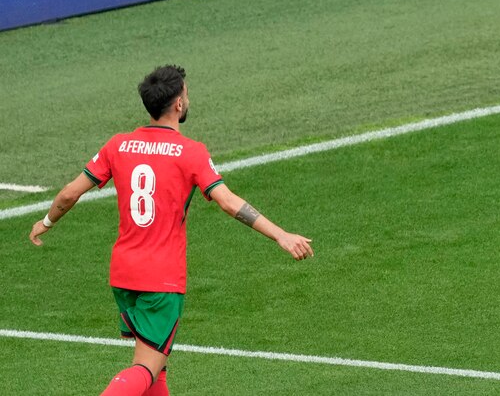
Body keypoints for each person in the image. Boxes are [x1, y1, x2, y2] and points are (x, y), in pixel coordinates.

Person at [29, 65, 314, 395]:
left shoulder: (118, 145)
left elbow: (68, 194)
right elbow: (227, 202)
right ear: (178, 103)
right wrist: (280, 234)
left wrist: (46, 222)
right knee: (145, 367)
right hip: (160, 278)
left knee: (157, 365)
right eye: (187, 94)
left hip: (123, 274)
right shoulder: (191, 152)